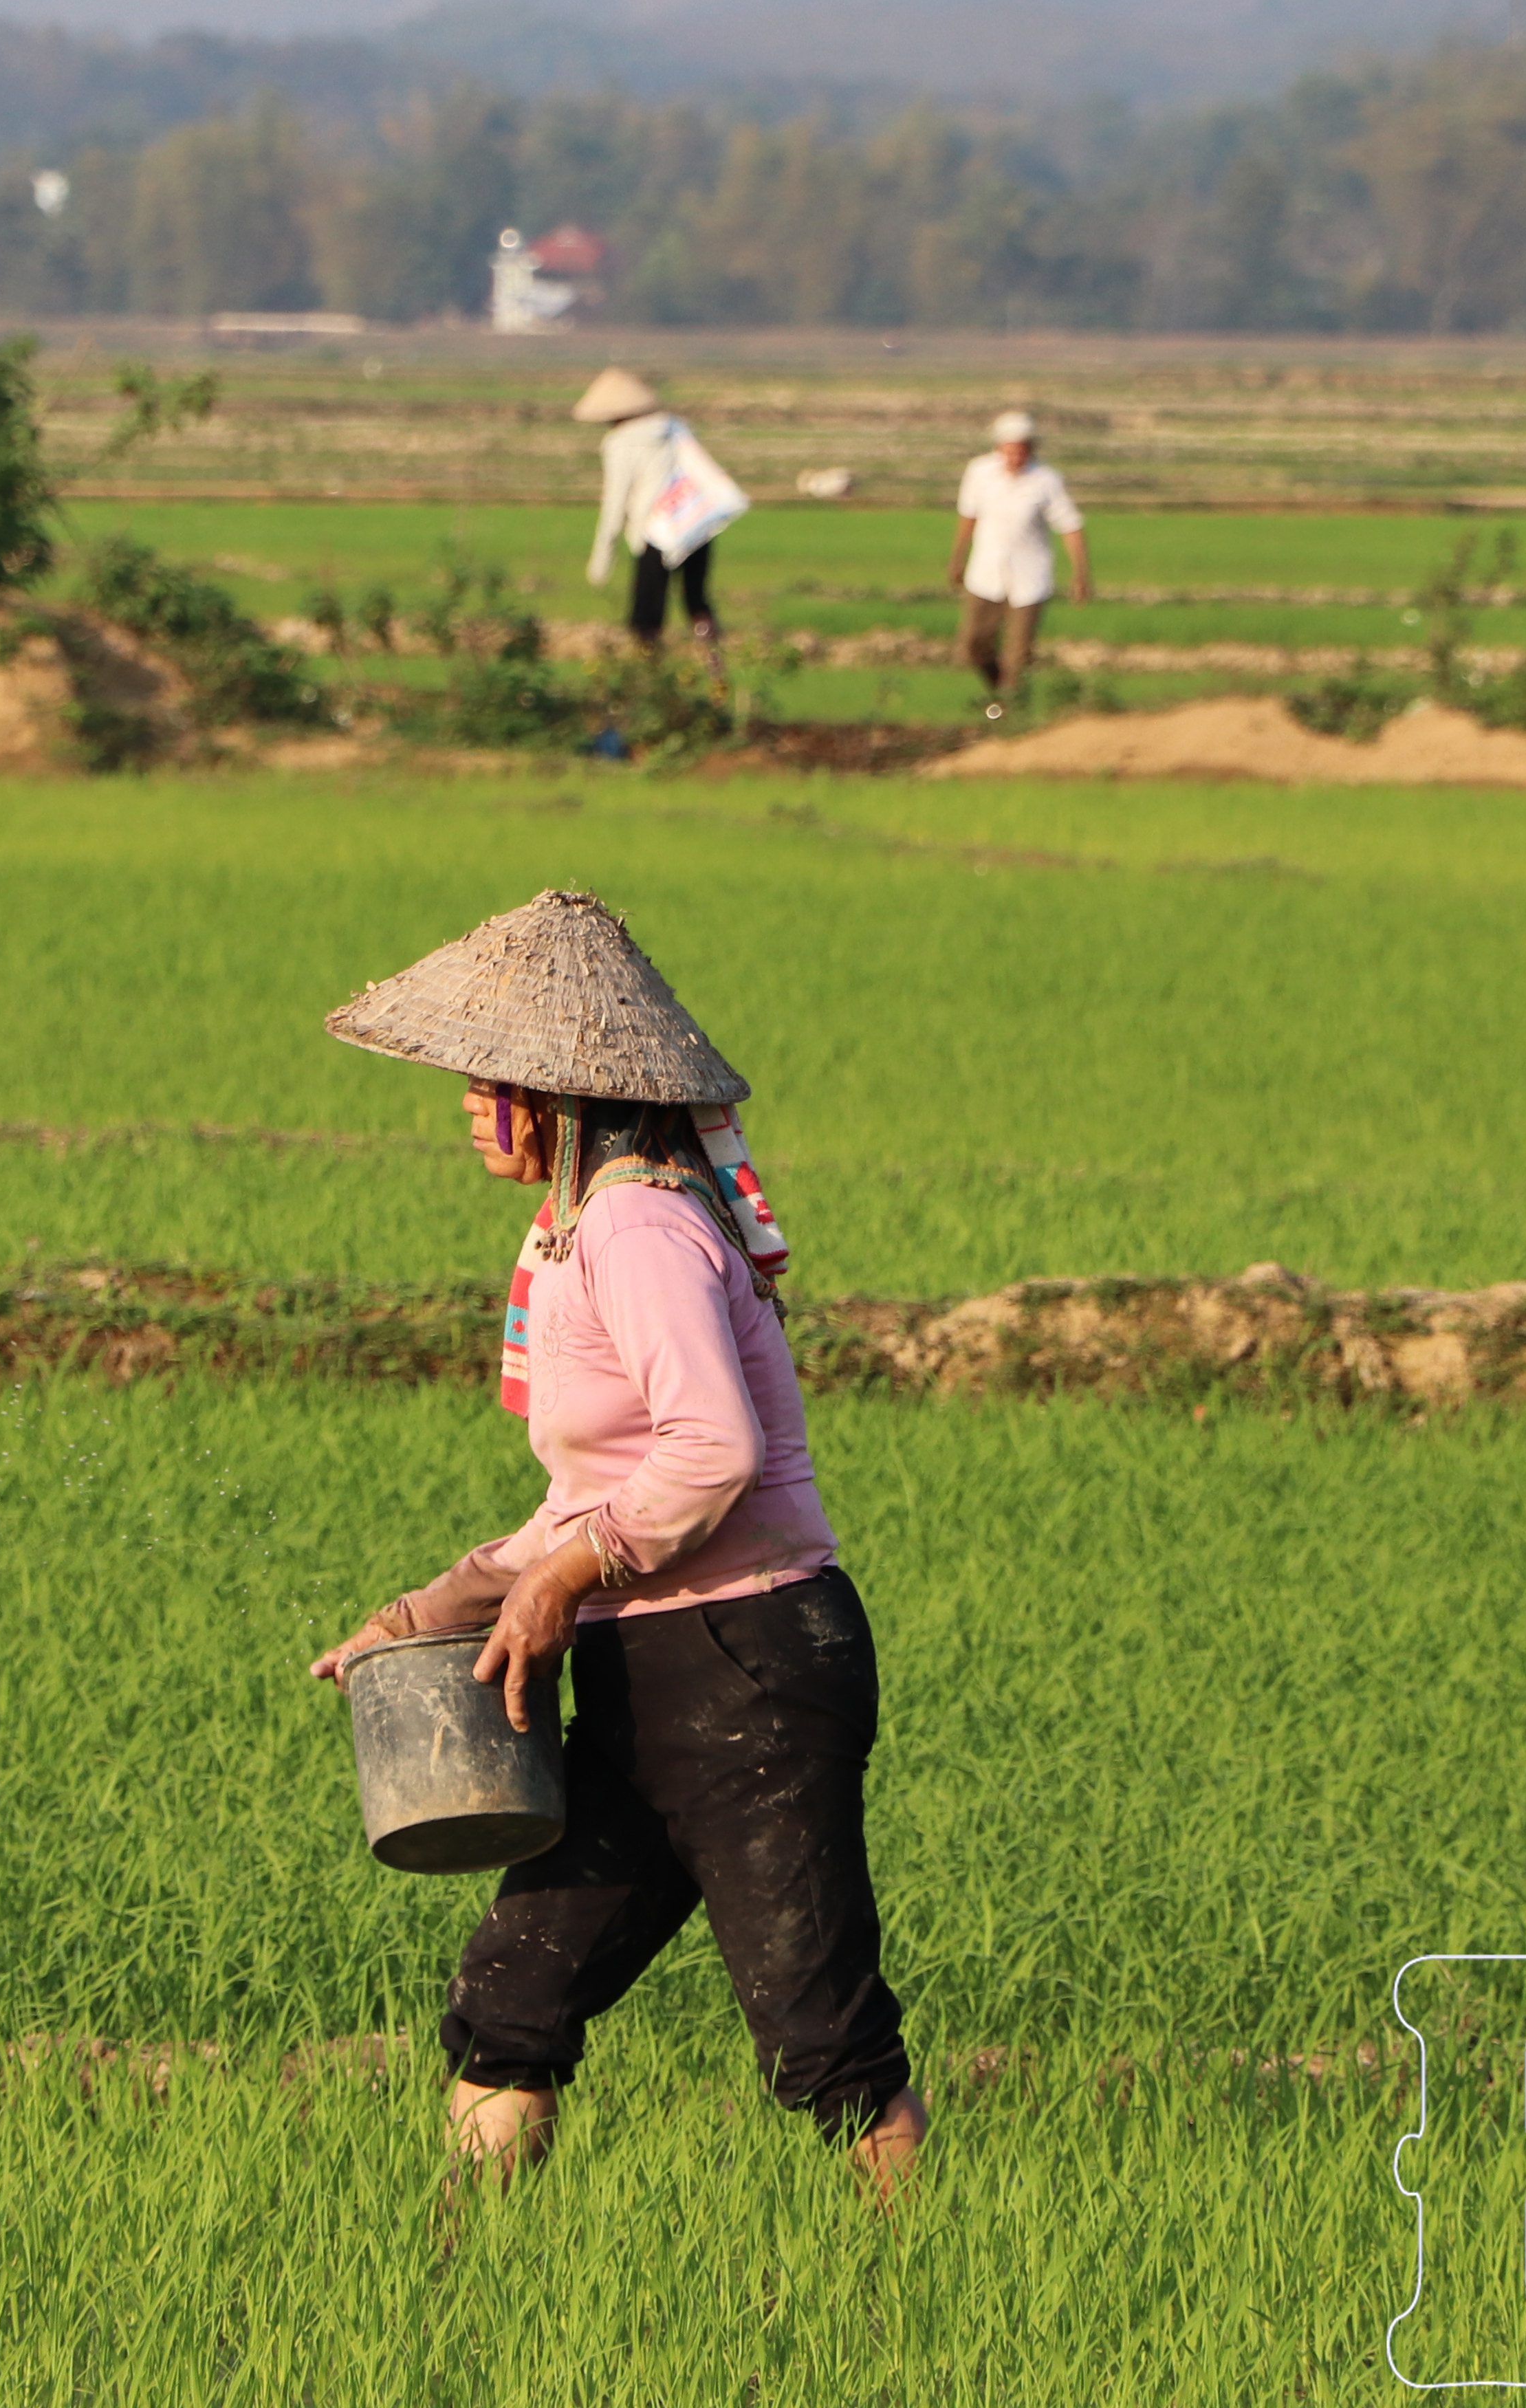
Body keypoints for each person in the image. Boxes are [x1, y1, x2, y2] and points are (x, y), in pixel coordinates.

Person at [311, 888, 926, 2196]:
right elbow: (576, 1503)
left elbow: (713, 1453)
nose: (472, 1110)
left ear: (556, 1094)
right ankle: (460, 2281)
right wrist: (427, 1613)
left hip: (750, 1664)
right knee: (513, 1998)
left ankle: (921, 2283)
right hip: (650, 1676)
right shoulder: (583, 1227)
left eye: (490, 1085)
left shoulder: (642, 1229)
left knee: (820, 2040)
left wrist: (564, 1579)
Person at [576, 367, 732, 681]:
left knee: (646, 616)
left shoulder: (620, 443)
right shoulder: (677, 429)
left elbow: (616, 502)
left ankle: (649, 681)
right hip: (693, 525)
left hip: (654, 531)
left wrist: (603, 557)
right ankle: (717, 675)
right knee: (697, 602)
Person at [946, 407, 1089, 718]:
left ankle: (1007, 710)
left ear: (1031, 450)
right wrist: (957, 558)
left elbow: (1071, 527)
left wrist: (1081, 575)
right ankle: (1002, 694)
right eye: (1009, 451)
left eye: (1021, 452)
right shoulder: (979, 473)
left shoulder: (1046, 480)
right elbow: (968, 516)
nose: (1015, 458)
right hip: (985, 574)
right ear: (999, 449)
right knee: (973, 646)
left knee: (1018, 655)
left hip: (1030, 579)